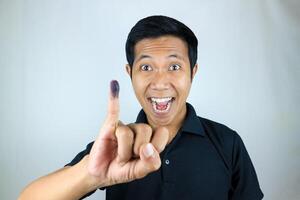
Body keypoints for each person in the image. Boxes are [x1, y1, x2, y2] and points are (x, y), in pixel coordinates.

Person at [18, 15, 264, 200]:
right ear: (130, 73)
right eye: (146, 67)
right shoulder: (114, 147)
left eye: (174, 67)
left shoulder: (227, 143)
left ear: (193, 72)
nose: (159, 82)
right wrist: (91, 175)